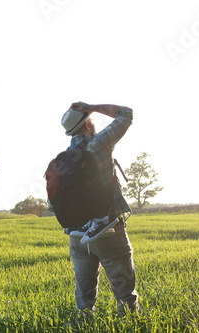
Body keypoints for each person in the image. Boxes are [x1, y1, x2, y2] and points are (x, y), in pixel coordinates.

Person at [58, 101, 141, 321]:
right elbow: (126, 114)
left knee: (83, 300)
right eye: (91, 119)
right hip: (107, 231)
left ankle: (83, 326)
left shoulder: (62, 160)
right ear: (87, 124)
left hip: (76, 236)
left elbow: (53, 204)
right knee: (126, 297)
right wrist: (92, 106)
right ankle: (132, 326)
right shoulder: (98, 144)